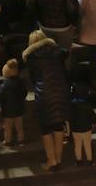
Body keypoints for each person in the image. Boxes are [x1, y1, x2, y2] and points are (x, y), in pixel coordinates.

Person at [23, 29, 71, 172]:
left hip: (44, 95)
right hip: (61, 93)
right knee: (58, 127)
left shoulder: (31, 58)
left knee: (45, 129)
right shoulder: (57, 53)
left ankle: (51, 160)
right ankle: (59, 159)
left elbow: (33, 79)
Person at [0, 58, 27, 148]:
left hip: (7, 111)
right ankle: (21, 140)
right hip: (19, 109)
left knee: (7, 127)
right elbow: (24, 93)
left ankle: (7, 141)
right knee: (19, 126)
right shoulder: (20, 83)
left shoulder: (3, 86)